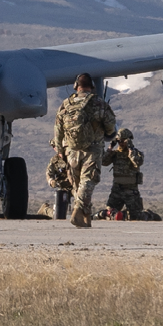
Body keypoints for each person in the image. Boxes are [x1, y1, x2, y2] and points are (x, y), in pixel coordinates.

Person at [51, 73, 117, 229]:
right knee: (88, 180)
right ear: (91, 87)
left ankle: (85, 217)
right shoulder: (99, 104)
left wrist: (60, 150)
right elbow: (110, 126)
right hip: (92, 149)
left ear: (76, 86)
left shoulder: (66, 104)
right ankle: (77, 212)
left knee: (77, 184)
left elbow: (58, 129)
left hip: (71, 150)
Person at [102, 128, 146, 221]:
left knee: (136, 217)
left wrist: (131, 150)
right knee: (109, 214)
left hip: (131, 191)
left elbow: (137, 162)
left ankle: (149, 215)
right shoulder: (115, 154)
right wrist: (110, 148)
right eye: (119, 141)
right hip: (117, 190)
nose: (121, 143)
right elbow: (103, 162)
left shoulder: (136, 153)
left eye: (123, 141)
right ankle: (123, 215)